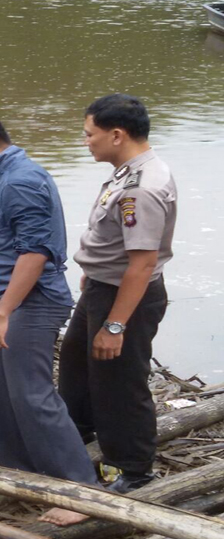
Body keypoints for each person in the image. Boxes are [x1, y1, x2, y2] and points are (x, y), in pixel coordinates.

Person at [0, 109, 98, 526]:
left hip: (31, 303)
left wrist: (3, 314)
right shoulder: (5, 175)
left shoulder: (20, 181)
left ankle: (83, 492)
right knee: (6, 393)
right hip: (11, 301)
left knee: (32, 394)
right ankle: (23, 473)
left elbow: (35, 253)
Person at [59, 94, 176, 495]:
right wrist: (92, 276)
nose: (85, 141)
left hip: (126, 297)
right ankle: (79, 440)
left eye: (89, 134)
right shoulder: (127, 172)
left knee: (120, 384)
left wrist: (114, 324)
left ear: (116, 134)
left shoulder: (141, 188)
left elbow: (141, 264)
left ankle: (133, 469)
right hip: (103, 286)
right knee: (77, 364)